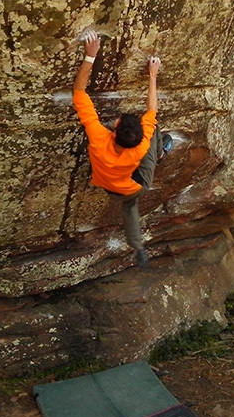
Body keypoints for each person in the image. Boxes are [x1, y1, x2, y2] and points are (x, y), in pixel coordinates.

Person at [72, 29, 172, 267]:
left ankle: (137, 245)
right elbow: (151, 111)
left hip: (110, 186)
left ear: (114, 132)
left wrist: (90, 56)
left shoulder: (98, 137)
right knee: (154, 128)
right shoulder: (140, 146)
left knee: (129, 204)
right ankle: (159, 153)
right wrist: (152, 75)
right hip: (133, 185)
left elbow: (78, 92)